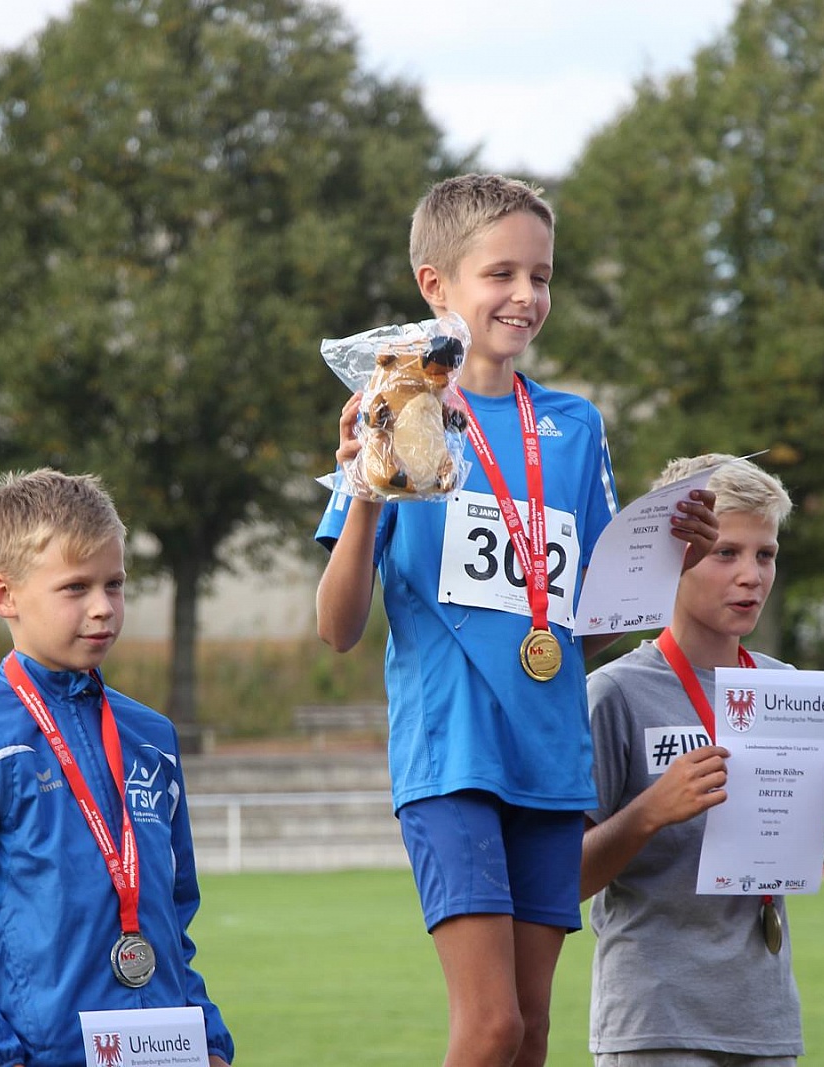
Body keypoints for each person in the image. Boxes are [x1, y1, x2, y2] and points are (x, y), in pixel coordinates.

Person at [315, 173, 719, 1067]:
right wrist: (365, 495)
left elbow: (582, 628)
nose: (526, 296)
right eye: (500, 274)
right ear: (436, 285)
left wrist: (668, 562)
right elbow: (338, 627)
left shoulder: (575, 425)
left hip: (550, 757)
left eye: (541, 275)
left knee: (531, 1035)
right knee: (489, 1025)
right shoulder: (400, 408)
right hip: (452, 753)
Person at [0, 469, 233, 1067]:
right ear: (5, 596)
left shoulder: (151, 740)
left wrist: (207, 1039)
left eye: (115, 583)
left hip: (166, 1053)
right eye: (75, 588)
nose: (103, 607)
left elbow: (172, 923)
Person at [580, 453, 824, 1066]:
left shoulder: (787, 689)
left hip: (764, 1019)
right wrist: (650, 812)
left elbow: (769, 863)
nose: (751, 575)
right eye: (727, 552)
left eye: (765, 554)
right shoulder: (614, 693)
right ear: (678, 551)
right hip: (654, 1020)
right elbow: (562, 880)